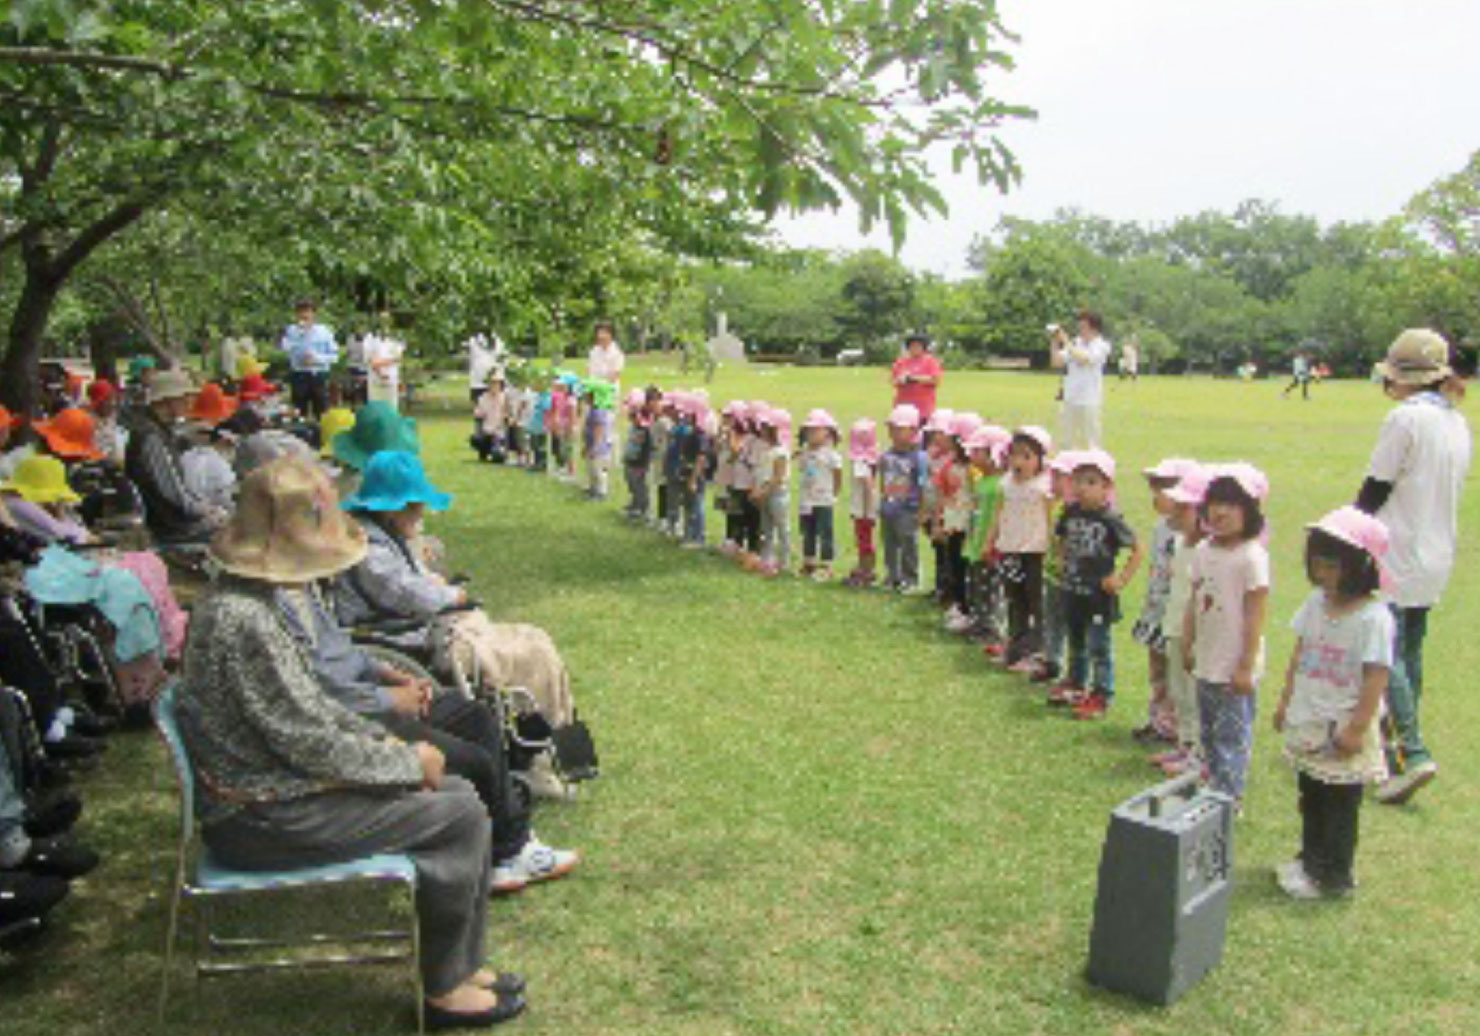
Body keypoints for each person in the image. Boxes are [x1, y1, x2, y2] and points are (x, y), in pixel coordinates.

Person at [182, 457, 526, 1027]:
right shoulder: (246, 619)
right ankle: (445, 986)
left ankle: (460, 967)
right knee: (459, 813)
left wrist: (398, 752)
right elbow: (308, 737)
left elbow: (312, 711)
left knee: (459, 793)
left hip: (277, 793)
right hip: (262, 814)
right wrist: (401, 760)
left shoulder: (252, 600)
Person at [334, 452, 583, 794]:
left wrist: (441, 588)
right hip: (407, 638)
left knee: (535, 638)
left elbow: (414, 582)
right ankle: (536, 754)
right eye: (415, 505)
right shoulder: (369, 547)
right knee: (527, 656)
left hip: (425, 627)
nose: (421, 512)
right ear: (394, 507)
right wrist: (454, 597)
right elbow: (408, 594)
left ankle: (546, 742)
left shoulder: (382, 536)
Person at [1355, 328, 1471, 804]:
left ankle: (1412, 752)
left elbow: (1377, 486)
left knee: (1389, 653)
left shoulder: (1405, 419)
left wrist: (1348, 529)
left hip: (1398, 546)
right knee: (1411, 652)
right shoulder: (1456, 422)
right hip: (1437, 549)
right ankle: (1392, 745)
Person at [1272, 507, 1394, 900]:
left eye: (1331, 566)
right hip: (1311, 718)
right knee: (1311, 795)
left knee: (1339, 804)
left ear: (1359, 567)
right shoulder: (1314, 605)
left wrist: (1357, 728)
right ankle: (1311, 860)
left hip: (1342, 726)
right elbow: (1299, 652)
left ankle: (1334, 874)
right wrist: (1286, 700)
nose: (1321, 574)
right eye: (1317, 565)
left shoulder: (1373, 619)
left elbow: (1376, 675)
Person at [1181, 464, 1271, 806]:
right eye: (1215, 503)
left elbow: (1254, 613)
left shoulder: (1251, 557)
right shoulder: (1204, 551)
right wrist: (1188, 643)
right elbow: (1195, 600)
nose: (1220, 512)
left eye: (1231, 505)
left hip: (1234, 664)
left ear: (1249, 512)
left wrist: (1246, 666)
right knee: (1208, 731)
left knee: (1231, 735)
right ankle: (1215, 785)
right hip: (1208, 658)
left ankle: (1229, 797)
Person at [1048, 450, 1144, 720]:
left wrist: (1121, 579)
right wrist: (1061, 558)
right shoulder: (1070, 512)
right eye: (1078, 481)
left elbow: (1137, 548)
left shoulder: (1110, 519)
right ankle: (1076, 682)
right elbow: (1060, 538)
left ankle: (1102, 692)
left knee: (1098, 644)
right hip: (1073, 589)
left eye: (1091, 482)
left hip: (1098, 595)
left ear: (1106, 488)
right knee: (1076, 639)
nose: (1082, 488)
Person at [1129, 459, 1195, 745]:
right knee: (1157, 667)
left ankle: (1179, 725)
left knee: (1178, 671)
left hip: (1178, 614)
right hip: (1156, 610)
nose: (1158, 496)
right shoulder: (1160, 527)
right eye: (1155, 489)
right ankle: (1158, 718)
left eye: (1166, 488)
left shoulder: (1192, 534)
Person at [1151, 464, 1209, 778]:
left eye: (1183, 508)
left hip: (1194, 635)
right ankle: (1185, 744)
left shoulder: (1205, 550)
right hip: (1174, 627)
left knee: (1194, 694)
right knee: (1179, 692)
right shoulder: (1179, 543)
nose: (1174, 510)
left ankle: (1200, 752)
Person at [124, 369, 226, 545]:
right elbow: (174, 496)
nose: (190, 402)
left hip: (171, 521)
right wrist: (208, 510)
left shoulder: (156, 429)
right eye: (184, 397)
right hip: (172, 528)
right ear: (167, 400)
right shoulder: (151, 437)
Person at [990, 427, 1052, 669]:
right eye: (1014, 455)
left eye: (1027, 456)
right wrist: (992, 540)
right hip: (1010, 548)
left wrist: (1053, 549)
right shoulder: (1006, 483)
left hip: (1034, 551)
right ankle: (1015, 646)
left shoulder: (1043, 486)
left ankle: (1036, 650)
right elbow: (999, 513)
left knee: (1035, 600)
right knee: (1014, 598)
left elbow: (1050, 518)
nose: (1019, 462)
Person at [935, 415, 978, 632]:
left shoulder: (976, 469)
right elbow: (942, 493)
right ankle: (960, 606)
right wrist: (939, 520)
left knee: (971, 569)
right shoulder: (949, 465)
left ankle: (971, 609)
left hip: (972, 524)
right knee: (955, 565)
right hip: (954, 523)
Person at [878, 404, 926, 593]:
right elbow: (884, 477)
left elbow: (922, 484)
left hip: (908, 508)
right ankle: (893, 576)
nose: (894, 433)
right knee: (890, 543)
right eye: (892, 429)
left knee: (908, 543)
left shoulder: (918, 457)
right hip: (889, 506)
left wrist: (922, 509)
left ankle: (911, 578)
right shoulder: (887, 455)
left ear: (913, 430)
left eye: (899, 429)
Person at [1049, 311, 1112, 449]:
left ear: (1094, 328)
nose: (1080, 330)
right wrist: (1054, 342)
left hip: (1089, 399)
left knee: (1091, 440)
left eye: (1083, 327)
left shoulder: (1102, 345)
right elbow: (1057, 362)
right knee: (1066, 440)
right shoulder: (1076, 343)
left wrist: (1066, 341)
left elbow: (1085, 359)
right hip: (1070, 397)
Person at [797, 410, 843, 579]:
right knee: (808, 531)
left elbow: (837, 476)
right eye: (808, 431)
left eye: (816, 430)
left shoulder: (831, 455)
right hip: (807, 500)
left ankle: (826, 564)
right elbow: (802, 470)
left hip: (823, 500)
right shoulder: (805, 453)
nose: (811, 434)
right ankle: (808, 562)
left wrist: (834, 494)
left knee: (825, 532)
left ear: (827, 432)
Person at [280, 298, 339, 421]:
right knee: (299, 412)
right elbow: (284, 348)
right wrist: (300, 334)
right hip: (299, 375)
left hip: (318, 375)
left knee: (322, 411)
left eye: (307, 311)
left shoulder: (324, 331)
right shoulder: (291, 330)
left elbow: (334, 356)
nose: (304, 315)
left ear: (314, 314)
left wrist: (317, 359)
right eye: (301, 312)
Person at [750, 408, 791, 577]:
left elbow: (778, 477)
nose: (763, 431)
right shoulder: (766, 449)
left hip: (776, 494)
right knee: (766, 528)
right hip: (764, 493)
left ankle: (784, 560)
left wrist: (763, 491)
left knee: (782, 528)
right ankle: (767, 558)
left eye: (767, 428)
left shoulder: (781, 452)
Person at [842, 418, 881, 588]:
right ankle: (865, 569)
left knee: (864, 542)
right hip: (867, 509)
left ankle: (866, 571)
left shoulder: (860, 463)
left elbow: (867, 485)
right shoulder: (871, 460)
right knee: (866, 541)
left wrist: (865, 509)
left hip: (863, 510)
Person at [890, 333, 943, 422]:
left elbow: (936, 380)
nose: (915, 349)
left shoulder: (931, 362)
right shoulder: (901, 362)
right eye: (912, 346)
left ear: (924, 348)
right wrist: (900, 380)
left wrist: (914, 379)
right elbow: (893, 380)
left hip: (923, 408)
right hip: (903, 405)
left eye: (918, 346)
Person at [363, 313, 406, 410]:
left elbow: (398, 359)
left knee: (392, 411)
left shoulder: (397, 340)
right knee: (375, 412)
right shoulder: (370, 339)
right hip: (375, 382)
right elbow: (372, 362)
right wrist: (381, 372)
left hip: (391, 381)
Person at [582, 379, 615, 501]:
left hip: (599, 447)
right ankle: (593, 488)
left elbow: (599, 429)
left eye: (588, 395)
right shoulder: (593, 410)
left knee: (598, 469)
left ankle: (601, 492)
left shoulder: (599, 412)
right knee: (591, 468)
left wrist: (595, 446)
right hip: (592, 444)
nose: (585, 397)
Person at [586, 321, 625, 393]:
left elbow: (616, 374)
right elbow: (589, 370)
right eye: (599, 333)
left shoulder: (617, 353)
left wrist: (603, 386)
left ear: (611, 335)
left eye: (604, 333)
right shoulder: (594, 351)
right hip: (594, 389)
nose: (601, 336)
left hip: (609, 390)